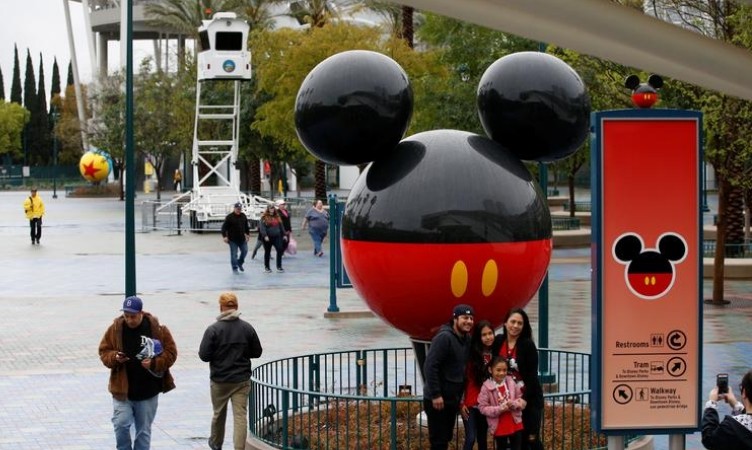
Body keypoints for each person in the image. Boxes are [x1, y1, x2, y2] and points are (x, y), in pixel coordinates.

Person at [98, 296, 178, 450]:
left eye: (133, 316)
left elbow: (171, 353)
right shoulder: (115, 328)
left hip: (148, 390)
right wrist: (115, 357)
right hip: (122, 390)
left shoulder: (157, 329)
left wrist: (154, 363)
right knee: (120, 424)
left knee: (143, 431)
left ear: (141, 313)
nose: (129, 320)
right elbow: (104, 351)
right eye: (126, 316)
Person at [199, 292, 263, 450]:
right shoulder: (247, 328)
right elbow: (257, 352)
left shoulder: (213, 330)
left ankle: (216, 443)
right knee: (240, 416)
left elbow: (204, 355)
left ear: (221, 307)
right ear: (237, 306)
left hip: (219, 381)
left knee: (218, 414)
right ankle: (239, 448)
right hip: (241, 380)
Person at [423, 304, 474, 450]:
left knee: (445, 437)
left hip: (452, 400)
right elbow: (430, 365)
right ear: (455, 319)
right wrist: (436, 394)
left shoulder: (466, 339)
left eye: (471, 318)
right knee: (439, 441)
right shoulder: (444, 338)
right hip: (438, 401)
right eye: (465, 317)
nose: (468, 321)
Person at [492, 308, 544, 450]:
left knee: (531, 439)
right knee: (514, 440)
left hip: (528, 399)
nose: (515, 326)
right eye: (512, 322)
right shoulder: (498, 341)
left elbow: (533, 376)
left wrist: (525, 399)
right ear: (505, 323)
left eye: (519, 323)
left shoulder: (527, 345)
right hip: (506, 400)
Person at [460, 320, 495, 450]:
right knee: (470, 438)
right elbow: (463, 380)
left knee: (482, 439)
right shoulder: (472, 356)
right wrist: (461, 403)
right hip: (470, 404)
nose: (488, 337)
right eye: (484, 335)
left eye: (490, 333)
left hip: (486, 404)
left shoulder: (495, 355)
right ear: (478, 337)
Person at [478, 356, 526, 450]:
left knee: (517, 447)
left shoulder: (511, 381)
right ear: (490, 370)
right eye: (498, 370)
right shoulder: (486, 387)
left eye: (504, 370)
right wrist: (499, 409)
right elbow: (482, 407)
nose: (501, 373)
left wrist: (514, 404)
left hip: (515, 421)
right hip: (499, 424)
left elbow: (520, 398)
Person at [701, 369, 752, 449]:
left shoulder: (730, 427)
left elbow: (709, 439)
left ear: (744, 392)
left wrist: (711, 404)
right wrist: (737, 406)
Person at [221, 202, 251, 273]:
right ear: (234, 208)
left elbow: (246, 226)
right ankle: (235, 268)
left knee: (245, 251)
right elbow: (223, 228)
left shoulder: (243, 216)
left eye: (240, 209)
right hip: (232, 239)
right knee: (234, 254)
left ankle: (239, 262)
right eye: (237, 208)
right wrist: (224, 236)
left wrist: (248, 234)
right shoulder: (229, 217)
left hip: (242, 239)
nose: (238, 210)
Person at [258, 204, 287, 273]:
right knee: (267, 252)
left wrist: (284, 234)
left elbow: (281, 226)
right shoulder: (264, 217)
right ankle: (267, 267)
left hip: (277, 236)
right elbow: (262, 228)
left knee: (280, 249)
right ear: (268, 209)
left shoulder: (277, 217)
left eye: (273, 208)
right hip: (268, 238)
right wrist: (265, 235)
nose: (272, 210)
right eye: (270, 208)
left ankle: (279, 266)